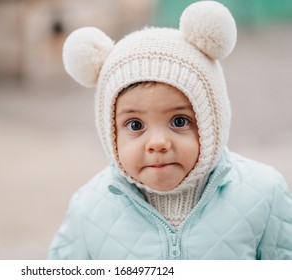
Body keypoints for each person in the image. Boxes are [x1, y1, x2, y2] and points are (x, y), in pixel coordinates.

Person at [47, 1, 292, 259]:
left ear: (212, 122)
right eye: (135, 125)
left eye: (179, 121)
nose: (158, 143)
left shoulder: (263, 195)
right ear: (111, 133)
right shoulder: (89, 210)